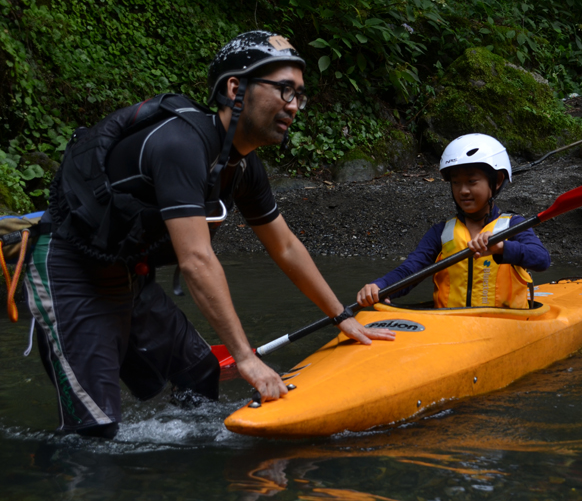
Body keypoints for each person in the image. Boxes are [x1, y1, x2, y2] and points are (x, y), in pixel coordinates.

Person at [24, 31, 394, 439]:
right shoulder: (182, 145)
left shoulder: (245, 167)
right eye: (284, 90)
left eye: (299, 95)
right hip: (70, 267)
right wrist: (244, 358)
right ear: (236, 88)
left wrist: (342, 317)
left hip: (127, 270)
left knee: (200, 374)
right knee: (93, 433)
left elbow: (286, 246)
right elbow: (196, 260)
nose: (293, 106)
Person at [356, 133, 550, 309]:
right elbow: (411, 270)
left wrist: (502, 248)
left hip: (504, 322)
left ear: (497, 181)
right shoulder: (441, 232)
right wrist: (381, 286)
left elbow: (542, 260)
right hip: (451, 322)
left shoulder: (513, 226)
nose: (463, 190)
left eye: (472, 181)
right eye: (456, 182)